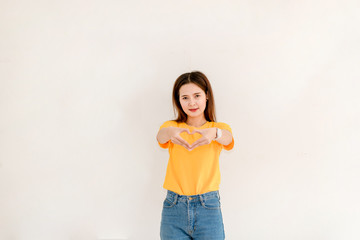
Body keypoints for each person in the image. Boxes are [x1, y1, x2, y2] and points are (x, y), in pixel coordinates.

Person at [156, 71, 234, 240]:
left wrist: (214, 133)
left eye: (196, 95)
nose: (191, 102)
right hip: (174, 206)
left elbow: (228, 139)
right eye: (185, 97)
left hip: (208, 206)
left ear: (206, 96)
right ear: (178, 100)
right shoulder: (171, 127)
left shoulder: (218, 127)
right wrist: (170, 132)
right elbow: (160, 136)